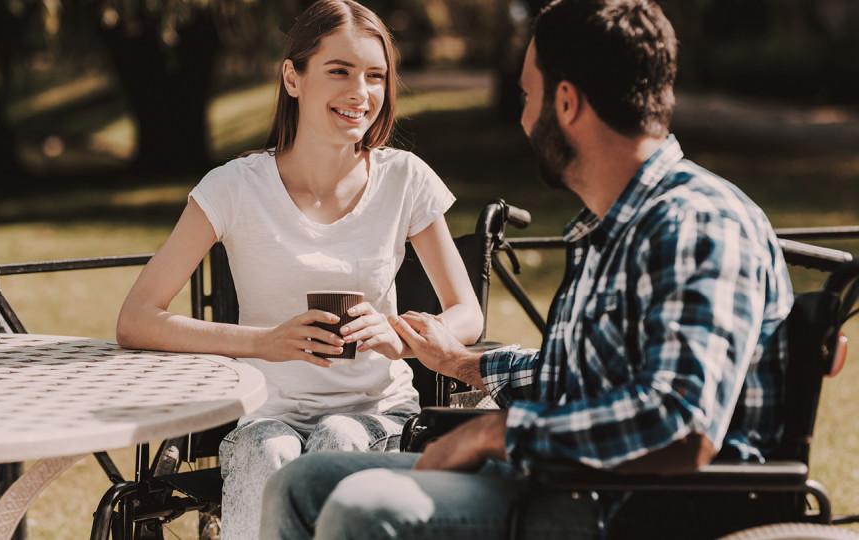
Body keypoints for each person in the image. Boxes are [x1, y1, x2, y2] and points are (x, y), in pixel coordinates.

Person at [260, 0, 794, 538]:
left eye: (527, 95)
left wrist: (495, 435)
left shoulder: (696, 224)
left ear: (565, 103)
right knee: (301, 483)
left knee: (365, 510)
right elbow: (583, 379)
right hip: (560, 482)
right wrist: (465, 363)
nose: (522, 116)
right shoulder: (616, 226)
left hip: (631, 509)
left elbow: (679, 425)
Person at [115, 1, 484, 538]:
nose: (361, 93)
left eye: (375, 76)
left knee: (338, 437)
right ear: (293, 76)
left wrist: (400, 335)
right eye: (340, 71)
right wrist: (264, 342)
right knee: (268, 448)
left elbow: (465, 313)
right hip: (267, 412)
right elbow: (137, 318)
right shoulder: (234, 187)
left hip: (377, 411)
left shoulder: (405, 179)